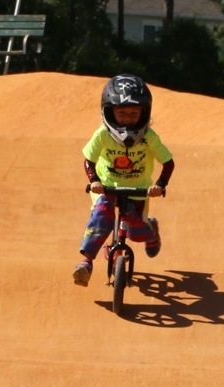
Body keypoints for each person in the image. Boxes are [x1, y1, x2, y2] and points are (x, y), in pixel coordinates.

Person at [74, 75, 174, 287]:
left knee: (136, 232)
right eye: (121, 113)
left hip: (138, 189)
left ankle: (151, 231)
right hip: (106, 187)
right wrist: (94, 180)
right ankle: (86, 263)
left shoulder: (149, 137)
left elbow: (168, 163)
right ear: (109, 112)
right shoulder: (102, 135)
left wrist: (160, 185)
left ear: (144, 113)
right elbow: (89, 160)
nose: (128, 118)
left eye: (133, 113)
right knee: (102, 216)